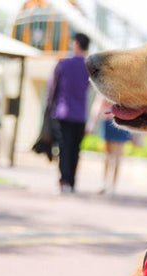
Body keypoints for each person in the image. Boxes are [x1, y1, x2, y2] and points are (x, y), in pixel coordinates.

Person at [48, 32, 90, 193]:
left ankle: (64, 180)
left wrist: (49, 108)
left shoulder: (63, 64)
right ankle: (72, 182)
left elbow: (52, 89)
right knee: (75, 150)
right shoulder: (89, 67)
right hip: (80, 115)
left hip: (63, 113)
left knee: (64, 148)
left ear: (77, 44)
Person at [87, 96, 132, 195]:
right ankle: (106, 184)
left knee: (115, 157)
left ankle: (111, 185)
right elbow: (98, 105)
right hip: (110, 121)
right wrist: (92, 123)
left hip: (121, 122)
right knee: (110, 156)